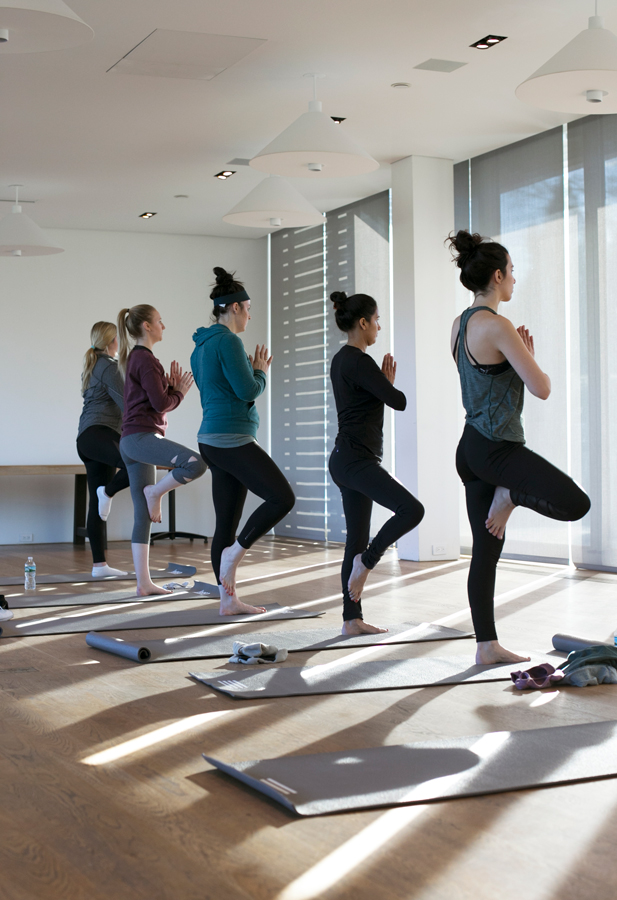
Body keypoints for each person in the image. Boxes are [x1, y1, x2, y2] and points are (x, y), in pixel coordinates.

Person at [448, 230, 591, 665]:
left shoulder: (460, 324)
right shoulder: (498, 324)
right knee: (574, 503)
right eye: (512, 271)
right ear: (497, 274)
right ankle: (509, 495)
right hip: (497, 450)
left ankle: (485, 645)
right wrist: (526, 355)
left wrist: (515, 358)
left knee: (485, 551)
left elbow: (484, 381)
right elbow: (542, 387)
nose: (515, 279)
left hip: (470, 447)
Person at [191, 267, 295, 616]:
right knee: (282, 497)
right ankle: (237, 551)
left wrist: (249, 370)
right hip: (231, 438)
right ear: (233, 307)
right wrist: (261, 369)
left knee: (225, 523)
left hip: (211, 439)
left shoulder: (202, 346)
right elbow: (248, 390)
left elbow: (221, 389)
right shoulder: (229, 341)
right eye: (248, 307)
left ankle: (227, 600)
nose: (251, 313)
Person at [328, 291, 425, 635]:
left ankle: (351, 620)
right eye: (377, 320)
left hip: (344, 459)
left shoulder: (340, 360)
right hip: (356, 461)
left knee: (356, 539)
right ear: (363, 322)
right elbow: (398, 401)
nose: (379, 327)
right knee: (412, 510)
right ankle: (367, 563)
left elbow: (369, 400)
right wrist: (386, 384)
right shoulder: (359, 360)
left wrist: (380, 385)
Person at [118, 304, 207, 596]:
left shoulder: (137, 358)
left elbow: (154, 398)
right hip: (142, 439)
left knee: (143, 516)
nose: (163, 326)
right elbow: (160, 405)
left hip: (131, 442)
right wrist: (179, 391)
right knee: (196, 463)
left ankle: (144, 584)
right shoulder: (145, 359)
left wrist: (168, 388)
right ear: (146, 326)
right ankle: (156, 492)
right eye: (159, 321)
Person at [76, 321, 130, 577]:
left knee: (96, 501)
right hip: (100, 434)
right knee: (138, 462)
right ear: (112, 342)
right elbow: (127, 403)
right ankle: (107, 492)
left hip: (87, 439)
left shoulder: (93, 363)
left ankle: (100, 566)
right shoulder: (108, 366)